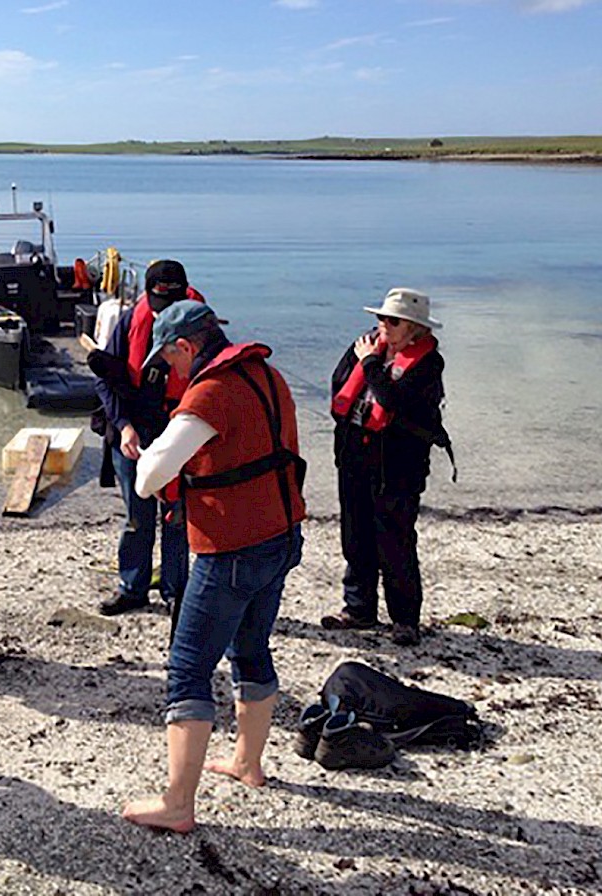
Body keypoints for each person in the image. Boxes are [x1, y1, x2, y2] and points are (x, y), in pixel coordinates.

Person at [120, 300, 307, 833]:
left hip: (231, 549)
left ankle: (178, 804)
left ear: (186, 346)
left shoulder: (210, 393)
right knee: (250, 649)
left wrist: (153, 452)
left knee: (187, 670)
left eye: (170, 359)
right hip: (281, 536)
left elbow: (148, 478)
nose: (170, 371)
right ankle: (248, 763)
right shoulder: (267, 376)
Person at [323, 287, 450, 647]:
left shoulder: (428, 365)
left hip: (397, 467)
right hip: (354, 458)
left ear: (415, 329)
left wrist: (370, 364)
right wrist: (367, 361)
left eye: (392, 321)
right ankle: (358, 609)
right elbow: (338, 388)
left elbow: (391, 399)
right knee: (355, 536)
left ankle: (405, 620)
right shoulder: (365, 346)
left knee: (395, 542)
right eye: (380, 318)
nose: (382, 325)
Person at [91, 260, 202, 616]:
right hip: (135, 430)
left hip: (179, 428)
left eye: (172, 306)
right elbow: (103, 378)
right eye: (158, 305)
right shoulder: (131, 320)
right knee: (137, 517)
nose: (163, 313)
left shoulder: (203, 329)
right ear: (147, 295)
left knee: (176, 516)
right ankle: (132, 587)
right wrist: (123, 425)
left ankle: (176, 593)